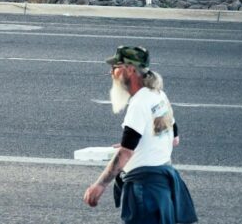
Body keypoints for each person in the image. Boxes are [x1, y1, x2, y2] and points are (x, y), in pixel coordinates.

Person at [84, 45, 197, 224]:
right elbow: (173, 137)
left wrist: (99, 186)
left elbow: (126, 153)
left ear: (129, 70)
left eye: (115, 67)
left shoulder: (139, 103)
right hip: (164, 183)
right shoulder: (158, 95)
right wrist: (134, 143)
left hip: (146, 190)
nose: (111, 73)